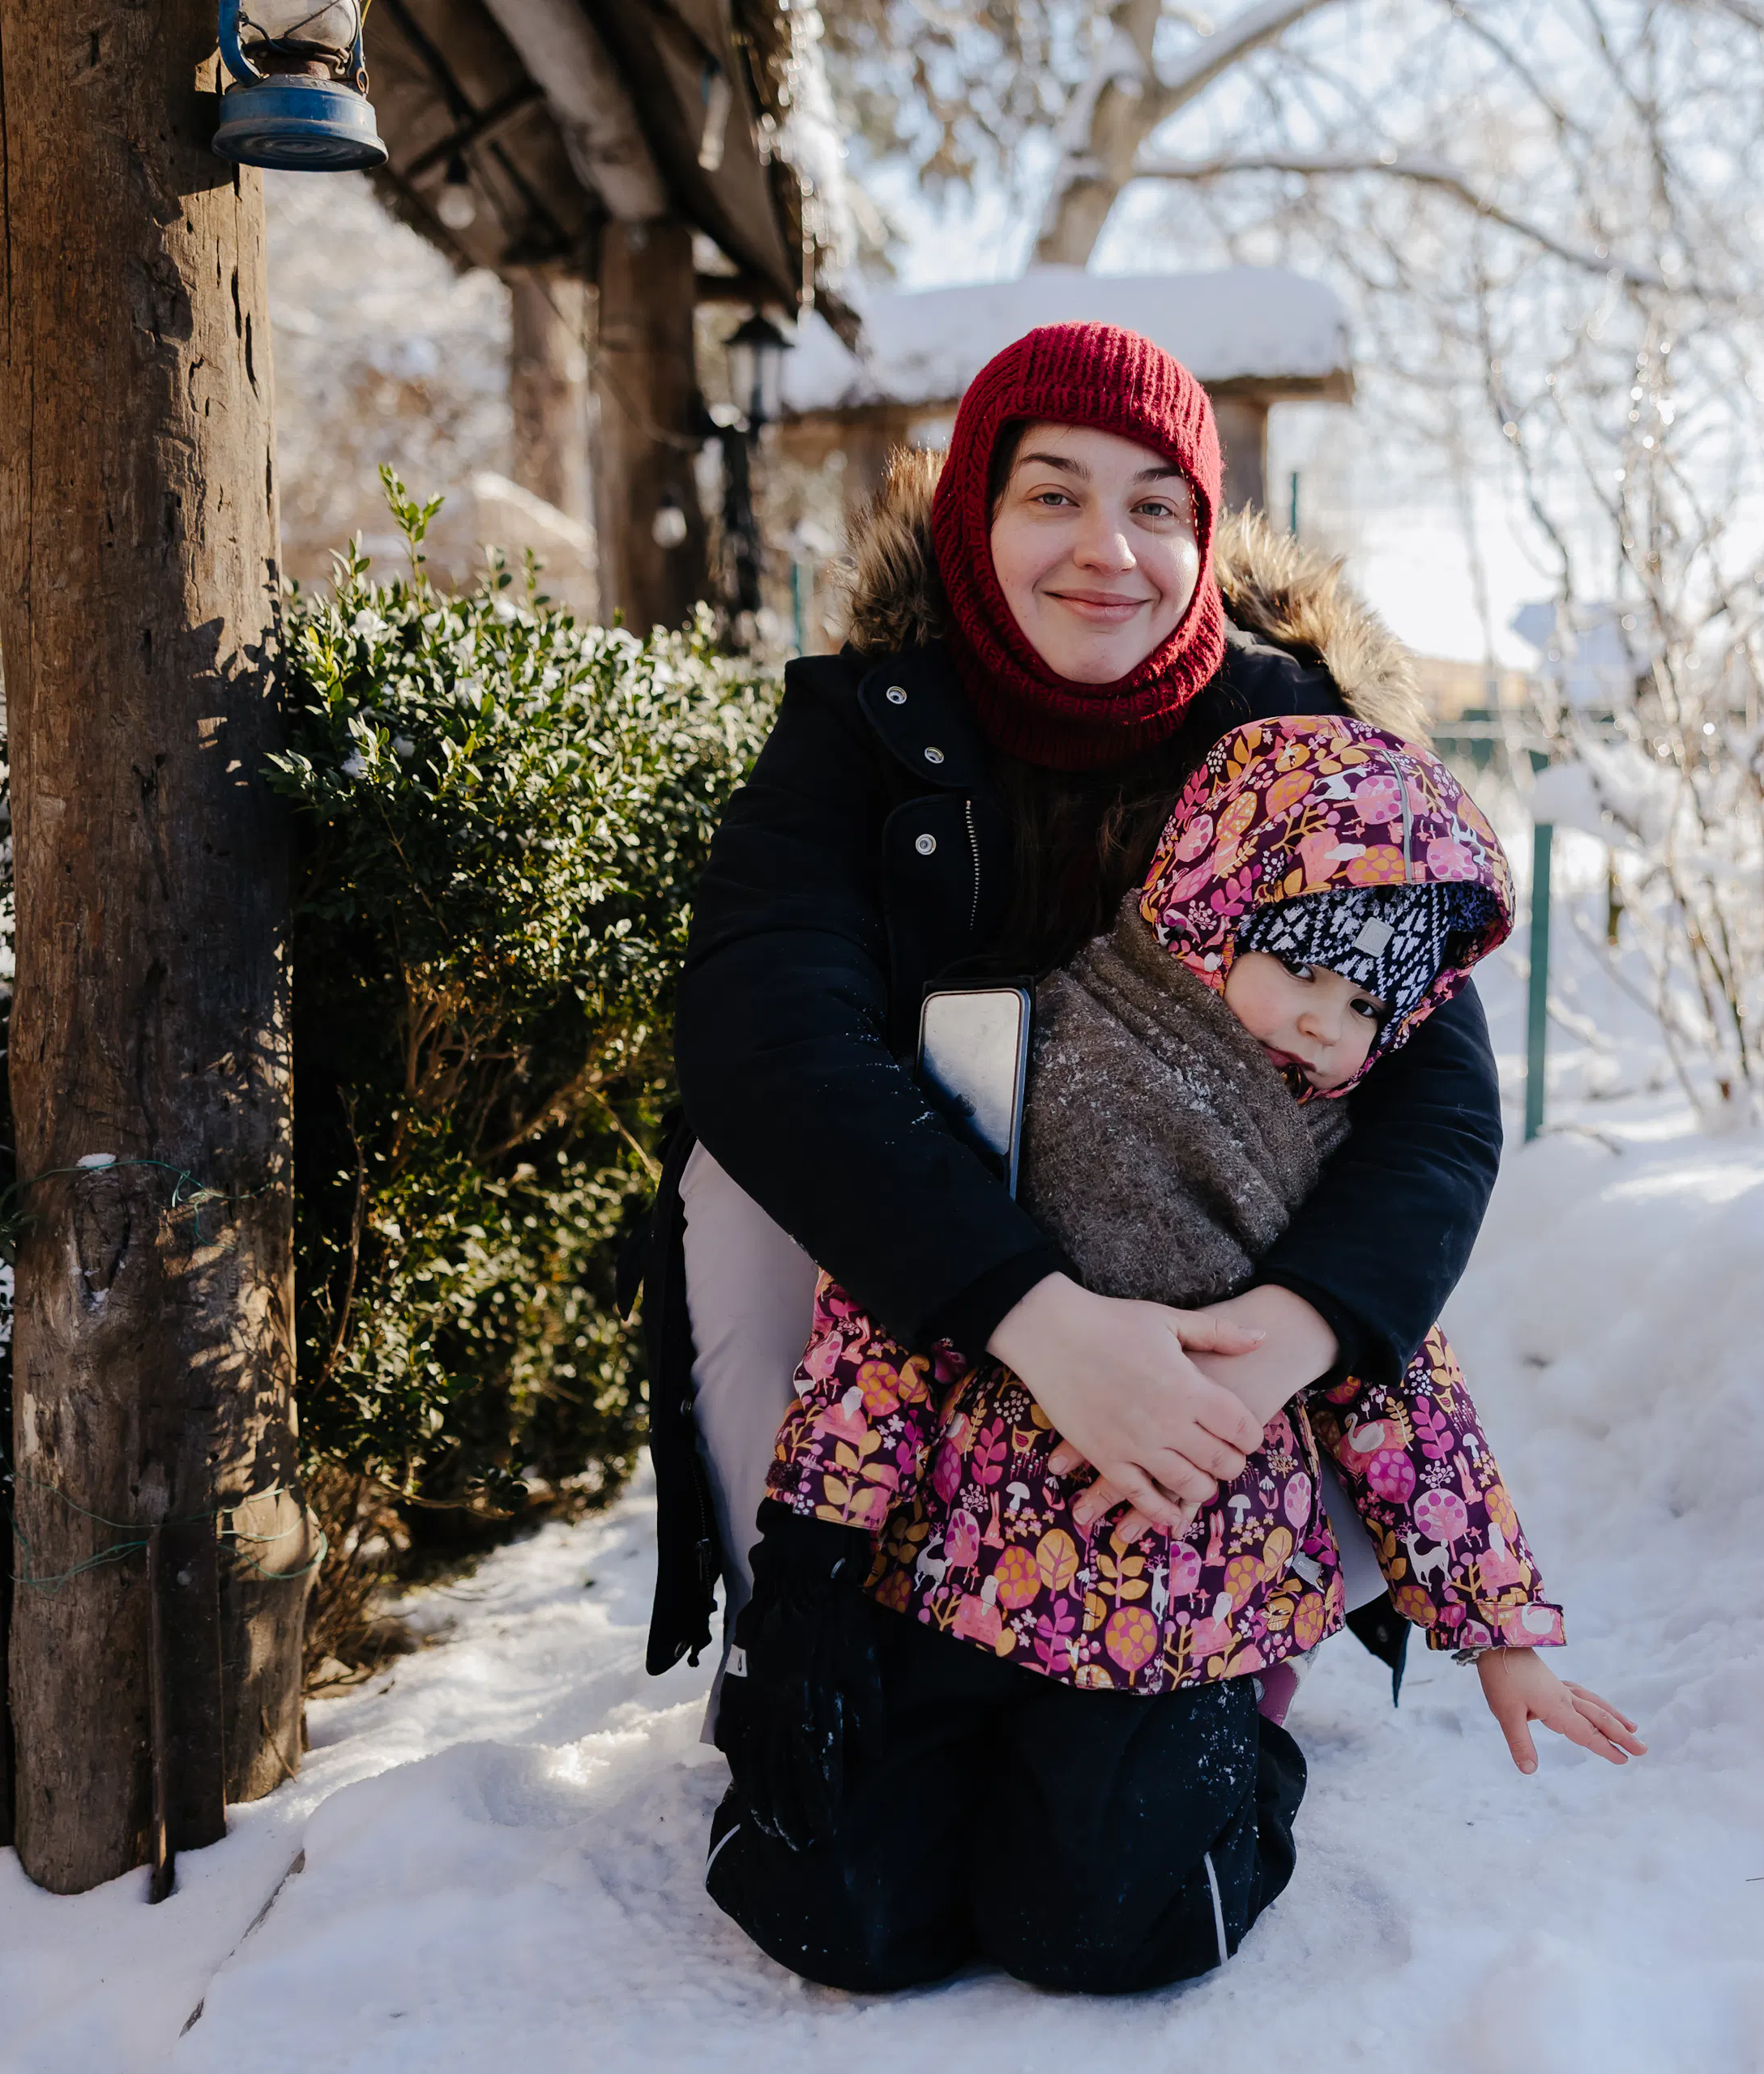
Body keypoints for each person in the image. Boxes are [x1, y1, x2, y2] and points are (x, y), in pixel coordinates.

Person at [639, 321, 1521, 1982]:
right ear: (978, 510)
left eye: (1154, 506)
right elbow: (765, 1029)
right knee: (854, 1910)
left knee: (1111, 1918)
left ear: (1205, 539)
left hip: (1203, 1354)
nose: (1106, 550)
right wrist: (1031, 1312)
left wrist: (1300, 1333)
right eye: (1053, 493)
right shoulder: (857, 728)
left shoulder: (1305, 741)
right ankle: (826, 1620)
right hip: (919, 1340)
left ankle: (1226, 1658)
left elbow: (1440, 1106)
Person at [704, 711, 1645, 1994]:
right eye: (1301, 968)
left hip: (1176, 1609)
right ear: (1215, 898)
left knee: (1101, 1929)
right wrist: (812, 1560)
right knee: (839, 1911)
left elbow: (1405, 1400)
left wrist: (1500, 1636)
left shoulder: (1326, 1170)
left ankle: (1223, 1775)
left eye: (1366, 1002)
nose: (1324, 1026)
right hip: (958, 1571)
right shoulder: (1024, 1065)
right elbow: (882, 1328)